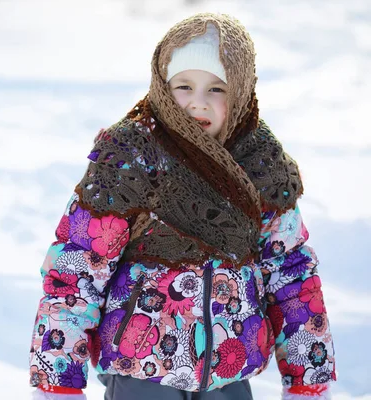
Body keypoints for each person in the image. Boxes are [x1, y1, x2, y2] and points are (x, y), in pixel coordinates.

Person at [28, 13, 336, 400]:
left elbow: (290, 274)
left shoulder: (261, 165)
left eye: (217, 89)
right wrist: (59, 379)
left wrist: (308, 375)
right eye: (185, 86)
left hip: (230, 365)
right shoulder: (130, 159)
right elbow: (77, 268)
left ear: (241, 92)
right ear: (163, 85)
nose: (198, 103)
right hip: (140, 367)